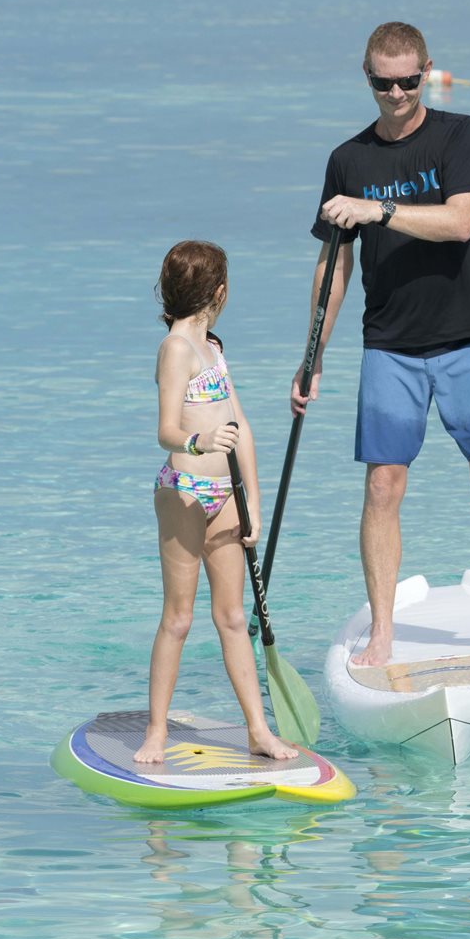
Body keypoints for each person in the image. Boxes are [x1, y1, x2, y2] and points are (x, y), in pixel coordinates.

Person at [292, 21, 470, 668]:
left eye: (409, 80)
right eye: (383, 82)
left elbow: (460, 222)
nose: (397, 93)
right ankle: (382, 632)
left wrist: (380, 212)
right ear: (367, 78)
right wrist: (311, 358)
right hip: (389, 346)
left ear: (427, 70)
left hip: (469, 337)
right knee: (382, 487)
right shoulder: (348, 160)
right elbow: (333, 266)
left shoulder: (461, 134)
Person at [139, 241, 298, 764]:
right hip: (183, 493)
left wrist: (251, 496)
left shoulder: (213, 346)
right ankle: (157, 731)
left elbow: (241, 426)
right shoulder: (177, 349)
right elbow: (165, 429)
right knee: (178, 619)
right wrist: (197, 443)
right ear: (221, 292)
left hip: (226, 497)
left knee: (232, 617)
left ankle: (258, 730)